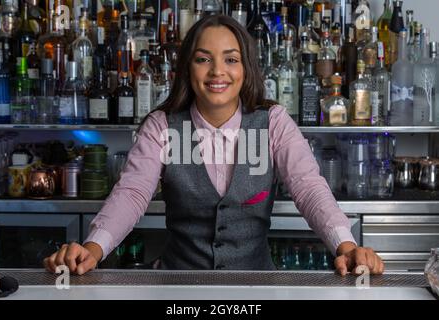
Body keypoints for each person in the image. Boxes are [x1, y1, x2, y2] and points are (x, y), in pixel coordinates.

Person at [44, 15, 384, 275]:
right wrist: (94, 247)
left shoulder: (272, 122)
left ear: (246, 68)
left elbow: (308, 186)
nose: (217, 72)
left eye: (231, 59)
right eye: (203, 59)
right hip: (178, 288)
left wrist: (346, 245)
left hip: (255, 289)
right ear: (187, 68)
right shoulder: (163, 125)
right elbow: (132, 193)